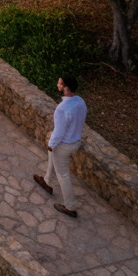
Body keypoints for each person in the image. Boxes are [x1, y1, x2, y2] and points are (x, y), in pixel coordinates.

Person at [33, 75, 88, 218]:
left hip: (64, 145)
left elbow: (59, 131)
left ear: (66, 88)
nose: (58, 84)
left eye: (60, 83)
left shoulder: (62, 109)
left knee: (63, 175)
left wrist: (51, 145)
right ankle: (46, 181)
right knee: (54, 157)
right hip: (75, 141)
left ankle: (70, 206)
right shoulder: (80, 102)